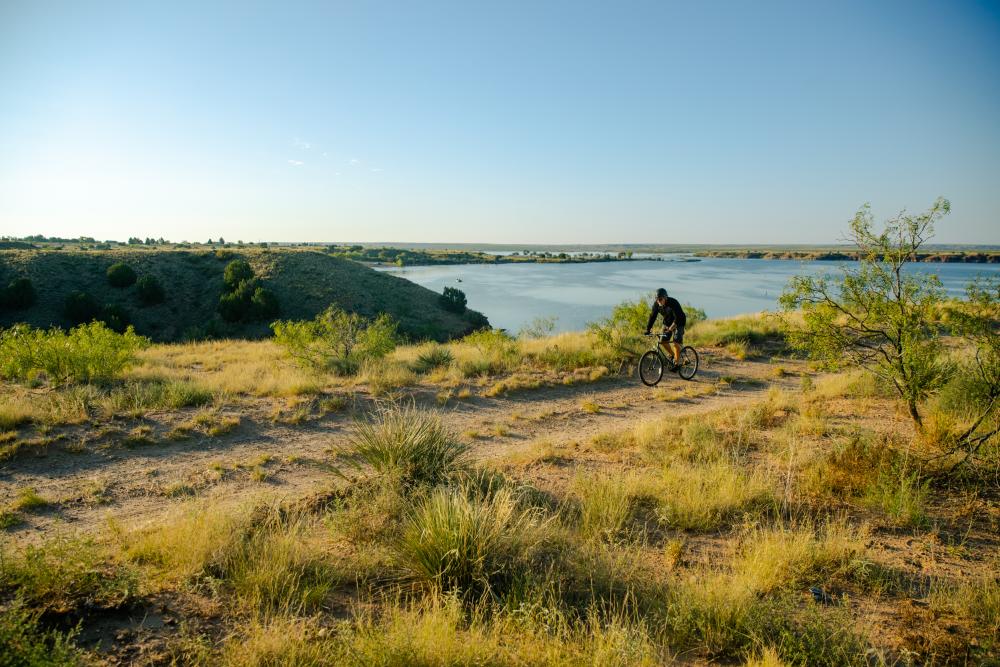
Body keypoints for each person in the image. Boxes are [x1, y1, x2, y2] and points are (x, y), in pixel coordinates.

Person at [644, 288, 686, 367]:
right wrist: (648, 329)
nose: (658, 301)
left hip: (679, 321)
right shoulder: (657, 305)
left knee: (676, 343)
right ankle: (674, 356)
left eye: (660, 299)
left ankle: (677, 364)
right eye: (657, 299)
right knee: (663, 341)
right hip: (667, 322)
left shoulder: (673, 302)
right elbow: (652, 316)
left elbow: (678, 317)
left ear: (665, 298)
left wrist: (671, 328)